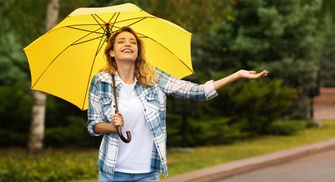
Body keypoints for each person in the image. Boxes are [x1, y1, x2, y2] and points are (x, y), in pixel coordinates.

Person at [87, 26, 268, 182]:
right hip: (112, 171)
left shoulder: (154, 78)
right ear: (111, 52)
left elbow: (197, 92)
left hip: (146, 172)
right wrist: (112, 126)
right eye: (121, 41)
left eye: (133, 42)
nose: (128, 44)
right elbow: (93, 125)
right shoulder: (101, 81)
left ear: (138, 51)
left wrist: (236, 75)